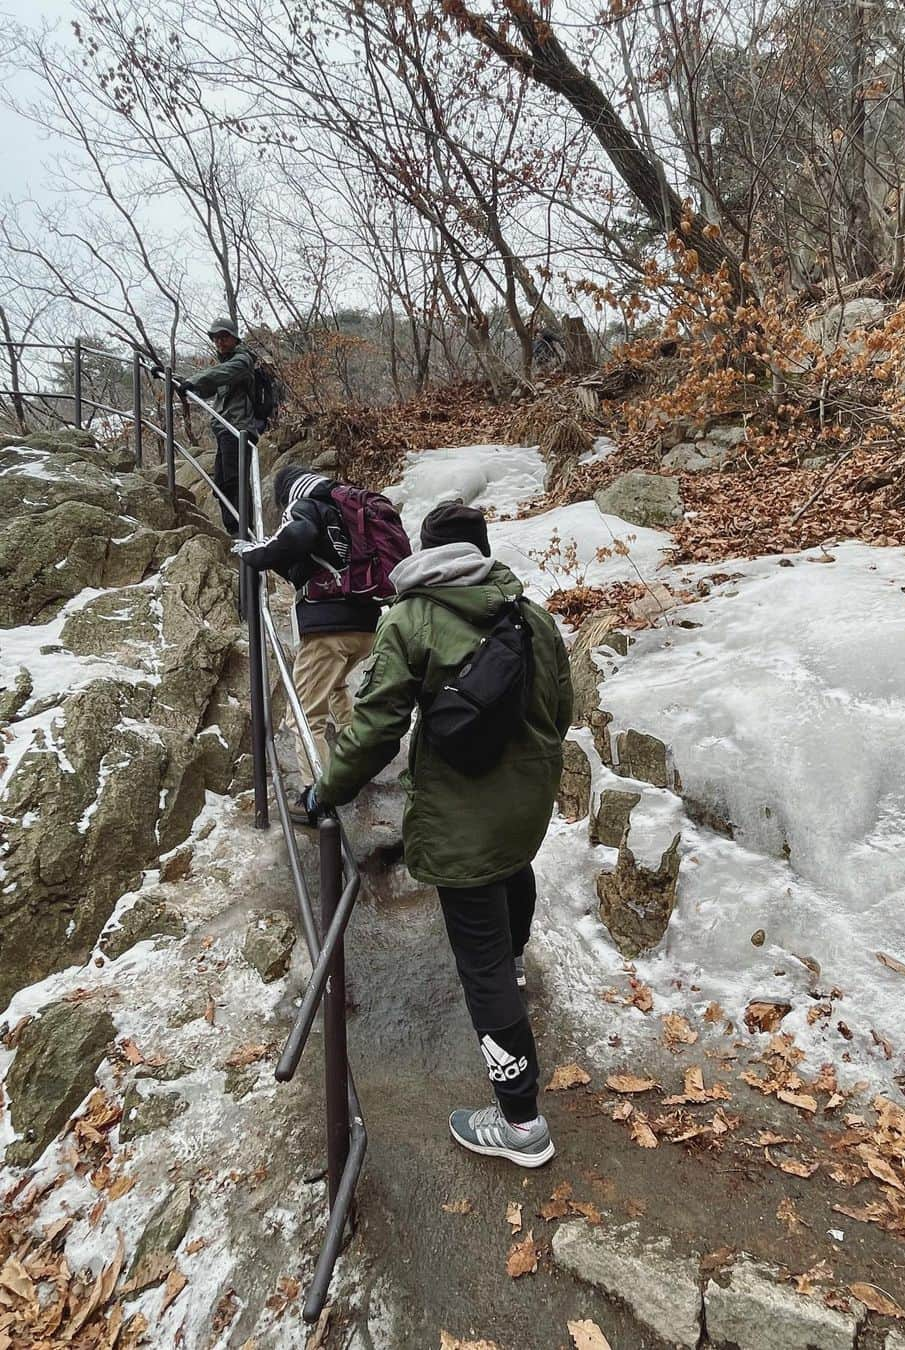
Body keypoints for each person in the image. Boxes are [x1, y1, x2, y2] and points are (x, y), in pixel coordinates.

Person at [311, 502, 573, 1167]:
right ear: (482, 551)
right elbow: (559, 710)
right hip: (526, 805)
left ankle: (520, 1125)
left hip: (464, 817)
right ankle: (513, 965)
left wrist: (325, 792)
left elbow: (374, 731)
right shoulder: (531, 615)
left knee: (478, 964)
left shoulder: (411, 618)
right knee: (514, 872)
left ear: (427, 552)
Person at [239, 465, 381, 821]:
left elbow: (296, 535)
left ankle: (316, 798)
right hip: (364, 626)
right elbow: (312, 561)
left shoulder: (305, 506)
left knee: (304, 715)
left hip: (328, 629)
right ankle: (357, 763)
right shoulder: (344, 512)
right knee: (335, 689)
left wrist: (254, 554)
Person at [177, 318, 259, 534]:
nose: (219, 342)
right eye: (215, 338)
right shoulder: (225, 365)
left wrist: (194, 381)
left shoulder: (243, 361)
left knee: (235, 479)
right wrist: (178, 381)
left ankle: (243, 532)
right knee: (221, 483)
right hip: (225, 429)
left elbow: (217, 376)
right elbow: (207, 389)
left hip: (239, 428)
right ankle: (235, 530)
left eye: (224, 337)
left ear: (234, 338)